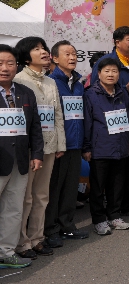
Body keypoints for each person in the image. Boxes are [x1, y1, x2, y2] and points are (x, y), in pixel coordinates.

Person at [13, 37, 66, 259]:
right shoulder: (18, 80)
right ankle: (21, 242)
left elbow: (57, 115)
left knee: (42, 195)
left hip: (50, 145)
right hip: (28, 148)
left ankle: (37, 238)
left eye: (44, 48)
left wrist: (60, 143)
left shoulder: (50, 81)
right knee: (24, 197)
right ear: (26, 57)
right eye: (37, 49)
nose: (43, 51)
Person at [91, 27, 129, 217]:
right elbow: (96, 91)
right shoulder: (107, 62)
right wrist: (125, 89)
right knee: (116, 170)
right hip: (112, 125)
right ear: (117, 42)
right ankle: (111, 207)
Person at [0, 44, 43, 269]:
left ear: (17, 65)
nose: (5, 68)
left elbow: (35, 126)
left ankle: (6, 252)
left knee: (14, 209)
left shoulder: (24, 92)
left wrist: (36, 154)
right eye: (0, 63)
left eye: (10, 63)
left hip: (20, 160)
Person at [44, 41, 88, 249]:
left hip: (76, 144)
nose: (72, 57)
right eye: (67, 54)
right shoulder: (51, 83)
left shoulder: (78, 84)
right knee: (54, 189)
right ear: (54, 58)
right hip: (58, 146)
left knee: (71, 188)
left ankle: (67, 224)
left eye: (74, 54)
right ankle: (50, 229)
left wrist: (84, 144)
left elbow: (82, 115)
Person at [83, 58, 129, 235]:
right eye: (107, 71)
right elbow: (87, 123)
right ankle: (99, 219)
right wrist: (87, 147)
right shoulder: (90, 94)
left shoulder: (122, 93)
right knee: (98, 187)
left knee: (117, 184)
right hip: (100, 148)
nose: (111, 74)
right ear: (99, 74)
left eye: (114, 71)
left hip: (120, 146)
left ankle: (114, 215)